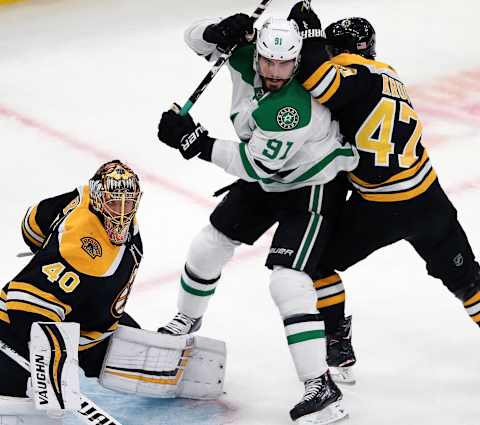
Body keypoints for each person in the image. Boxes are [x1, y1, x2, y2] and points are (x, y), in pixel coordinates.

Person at [156, 15, 359, 425]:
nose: (274, 72)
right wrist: (214, 31)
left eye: (284, 65)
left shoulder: (294, 107)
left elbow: (256, 165)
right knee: (208, 244)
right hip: (270, 178)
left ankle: (320, 385)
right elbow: (192, 41)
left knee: (288, 281)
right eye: (267, 62)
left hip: (312, 184)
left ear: (297, 60)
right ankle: (186, 319)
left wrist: (196, 143)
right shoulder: (250, 59)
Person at [286, 2, 480, 371]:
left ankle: (336, 340)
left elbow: (317, 79)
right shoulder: (388, 75)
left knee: (316, 263)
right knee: (469, 282)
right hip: (429, 200)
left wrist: (309, 33)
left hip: (379, 209)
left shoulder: (352, 75)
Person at [0, 160, 143, 424]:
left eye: (128, 202)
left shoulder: (83, 196)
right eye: (114, 203)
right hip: (15, 327)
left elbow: (32, 222)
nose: (122, 212)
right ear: (99, 200)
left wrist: (47, 247)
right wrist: (51, 375)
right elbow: (23, 306)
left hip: (77, 319)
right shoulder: (80, 248)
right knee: (33, 414)